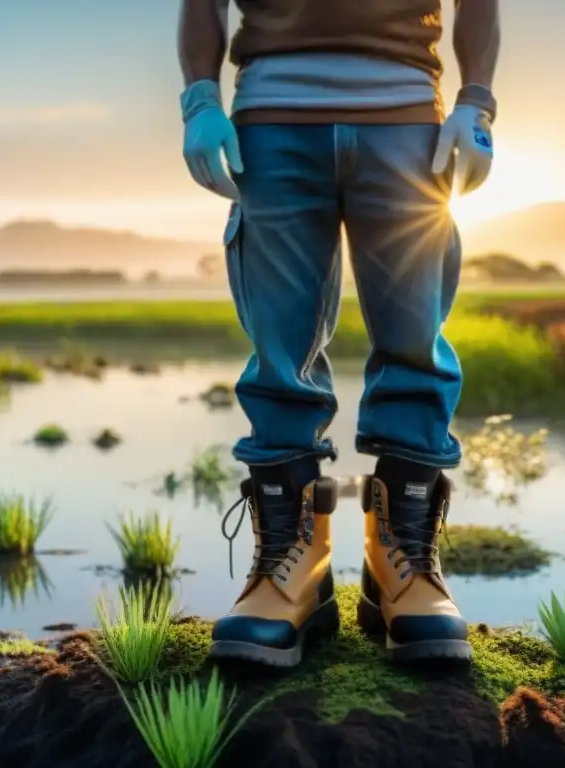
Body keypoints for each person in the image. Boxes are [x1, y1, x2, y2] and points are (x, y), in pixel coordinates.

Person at [178, 0, 500, 667]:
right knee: (279, 353)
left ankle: (399, 570)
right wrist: (200, 99)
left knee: (416, 343)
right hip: (269, 121)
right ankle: (293, 573)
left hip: (410, 119)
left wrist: (477, 101)